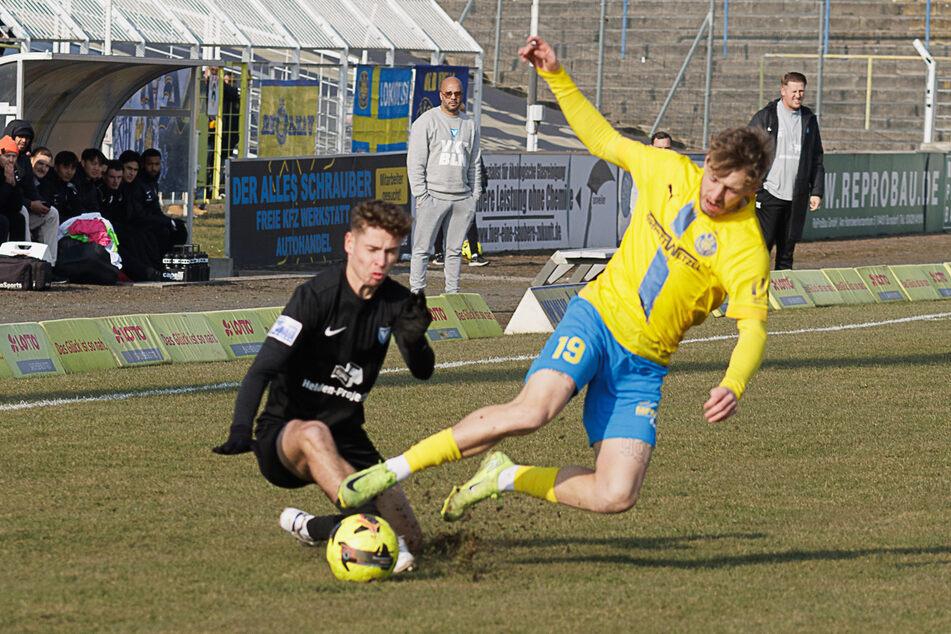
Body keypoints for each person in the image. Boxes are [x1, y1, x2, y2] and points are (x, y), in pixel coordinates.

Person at [337, 35, 773, 526]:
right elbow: (603, 140)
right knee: (532, 412)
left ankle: (504, 476)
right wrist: (555, 75)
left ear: (751, 189)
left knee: (616, 494)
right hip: (598, 319)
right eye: (712, 176)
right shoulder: (669, 169)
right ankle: (391, 471)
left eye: (729, 188)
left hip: (644, 366)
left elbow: (753, 330)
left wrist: (734, 383)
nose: (713, 192)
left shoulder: (746, 249)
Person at [212, 199, 435, 573]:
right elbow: (262, 368)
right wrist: (239, 428)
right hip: (286, 435)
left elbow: (423, 372)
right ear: (350, 243)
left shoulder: (396, 301)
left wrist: (416, 342)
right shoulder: (315, 296)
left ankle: (313, 526)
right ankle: (370, 531)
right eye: (372, 250)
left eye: (391, 252)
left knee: (413, 541)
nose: (381, 261)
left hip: (347, 434)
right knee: (315, 433)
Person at [407, 76, 481, 294]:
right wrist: (421, 196)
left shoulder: (470, 124)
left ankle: (452, 293)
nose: (453, 98)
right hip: (433, 196)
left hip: (462, 198)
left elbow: (475, 163)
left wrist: (473, 196)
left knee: (455, 251)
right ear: (441, 95)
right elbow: (415, 162)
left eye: (457, 93)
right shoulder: (426, 121)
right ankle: (416, 293)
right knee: (422, 249)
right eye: (448, 93)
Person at [748, 71, 824, 270]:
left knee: (787, 252)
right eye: (794, 91)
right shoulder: (766, 116)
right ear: (783, 91)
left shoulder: (809, 119)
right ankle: (757, 294)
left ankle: (785, 295)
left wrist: (816, 191)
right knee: (761, 250)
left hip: (796, 196)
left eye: (802, 91)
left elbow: (816, 157)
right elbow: (747, 149)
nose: (798, 95)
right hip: (768, 194)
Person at [431, 154, 490, 268]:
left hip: (465, 190)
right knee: (441, 220)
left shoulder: (471, 145)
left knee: (470, 221)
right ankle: (438, 254)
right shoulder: (443, 145)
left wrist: (482, 184)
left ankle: (474, 255)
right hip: (444, 188)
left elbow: (478, 166)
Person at [131, 148, 188, 253]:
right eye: (150, 164)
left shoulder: (153, 184)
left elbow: (156, 209)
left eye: (157, 164)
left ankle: (172, 262)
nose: (154, 168)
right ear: (143, 165)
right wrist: (166, 222)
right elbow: (139, 214)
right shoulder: (137, 184)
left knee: (180, 229)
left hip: (153, 221)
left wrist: (170, 221)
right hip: (140, 225)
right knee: (163, 232)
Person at [27, 146, 60, 264]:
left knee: (53, 213)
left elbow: (46, 202)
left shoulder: (47, 181)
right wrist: (29, 204)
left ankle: (49, 264)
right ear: (31, 160)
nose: (43, 169)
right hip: (16, 214)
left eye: (47, 166)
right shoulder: (24, 174)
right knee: (23, 212)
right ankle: (26, 263)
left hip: (32, 217)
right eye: (40, 163)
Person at [38, 151, 82, 223]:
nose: (69, 172)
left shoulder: (72, 186)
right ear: (56, 167)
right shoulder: (47, 182)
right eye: (66, 167)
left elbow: (77, 207)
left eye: (73, 168)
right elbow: (47, 211)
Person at [0, 136, 27, 242]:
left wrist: (13, 184)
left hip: (4, 210)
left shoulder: (13, 172)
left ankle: (17, 255)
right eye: (7, 156)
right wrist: (7, 184)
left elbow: (16, 206)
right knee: (2, 221)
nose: (11, 160)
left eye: (14, 156)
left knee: (18, 218)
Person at [73, 148, 107, 215]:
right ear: (83, 163)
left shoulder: (92, 185)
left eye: (100, 165)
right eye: (93, 164)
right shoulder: (73, 181)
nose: (96, 168)